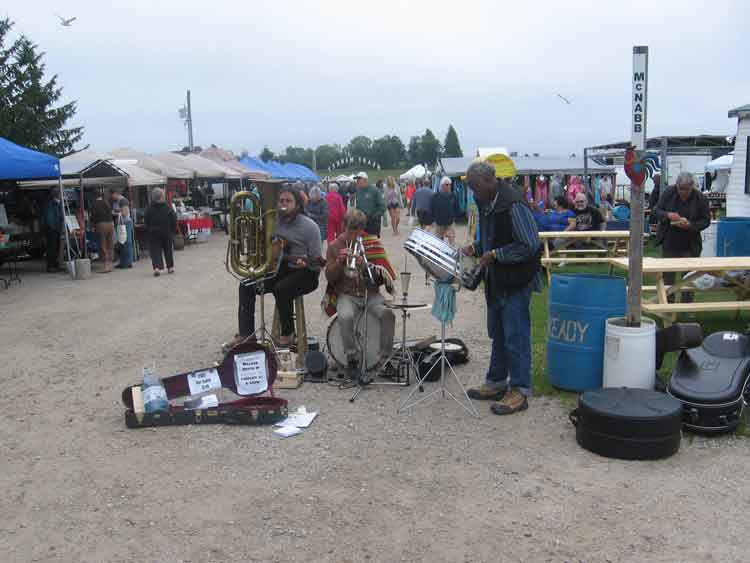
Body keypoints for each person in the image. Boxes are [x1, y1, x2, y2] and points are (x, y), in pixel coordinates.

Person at [461, 161, 542, 416]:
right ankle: (496, 382)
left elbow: (530, 244)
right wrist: (477, 247)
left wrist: (496, 254)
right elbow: (491, 235)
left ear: (489, 181)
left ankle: (519, 390)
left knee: (515, 335)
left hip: (516, 280)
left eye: (475, 187)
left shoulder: (513, 204)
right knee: (498, 331)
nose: (473, 192)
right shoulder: (488, 202)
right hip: (498, 279)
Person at [238, 188, 322, 347]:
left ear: (297, 205)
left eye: (288, 201)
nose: (283, 204)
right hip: (279, 269)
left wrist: (307, 263)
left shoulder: (310, 227)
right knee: (246, 285)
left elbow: (317, 262)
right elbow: (266, 247)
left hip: (306, 273)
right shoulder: (273, 221)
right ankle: (246, 335)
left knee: (281, 288)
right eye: (281, 201)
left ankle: (288, 333)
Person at [324, 209, 395, 380]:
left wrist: (365, 266)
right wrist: (339, 263)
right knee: (345, 316)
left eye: (358, 232)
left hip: (370, 294)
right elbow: (329, 278)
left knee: (388, 314)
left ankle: (385, 359)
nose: (354, 236)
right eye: (350, 231)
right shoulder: (334, 246)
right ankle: (352, 358)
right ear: (343, 226)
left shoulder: (372, 243)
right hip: (347, 294)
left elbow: (381, 279)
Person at [652, 172, 710, 304]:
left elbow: (705, 220)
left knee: (689, 276)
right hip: (670, 241)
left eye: (686, 190)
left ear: (692, 187)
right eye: (680, 189)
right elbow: (656, 210)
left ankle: (686, 306)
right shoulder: (669, 192)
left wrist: (690, 225)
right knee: (668, 275)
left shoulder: (700, 198)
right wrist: (668, 215)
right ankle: (667, 303)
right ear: (676, 186)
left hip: (690, 243)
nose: (683, 192)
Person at [144, 187, 177, 276]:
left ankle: (157, 268)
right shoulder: (168, 207)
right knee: (168, 249)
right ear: (162, 196)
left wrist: (148, 229)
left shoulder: (149, 208)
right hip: (167, 232)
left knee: (155, 251)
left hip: (153, 233)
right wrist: (173, 230)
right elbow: (174, 219)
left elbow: (146, 221)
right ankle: (170, 267)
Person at [353, 171, 386, 236]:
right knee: (362, 243)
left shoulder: (374, 190)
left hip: (373, 223)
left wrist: (374, 216)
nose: (357, 181)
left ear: (365, 180)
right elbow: (357, 205)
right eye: (357, 179)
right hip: (361, 222)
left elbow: (383, 206)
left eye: (359, 179)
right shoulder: (358, 191)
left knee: (372, 243)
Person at [91, 190, 115, 273]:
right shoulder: (106, 202)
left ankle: (106, 266)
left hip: (101, 225)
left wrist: (92, 225)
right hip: (111, 224)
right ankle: (111, 264)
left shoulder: (95, 204)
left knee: (103, 245)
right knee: (110, 244)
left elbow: (93, 217)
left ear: (94, 196)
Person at [41, 187, 64, 273]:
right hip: (52, 228)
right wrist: (54, 227)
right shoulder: (50, 203)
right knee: (52, 247)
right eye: (57, 191)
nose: (59, 193)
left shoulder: (57, 203)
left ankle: (54, 264)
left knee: (56, 247)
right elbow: (49, 217)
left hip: (55, 228)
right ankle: (51, 266)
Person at [432, 176, 457, 245]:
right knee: (438, 242)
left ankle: (451, 254)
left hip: (450, 223)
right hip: (439, 223)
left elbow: (456, 207)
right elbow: (432, 208)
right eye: (447, 184)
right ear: (442, 185)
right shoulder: (436, 196)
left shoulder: (453, 195)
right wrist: (434, 219)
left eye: (449, 184)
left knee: (452, 242)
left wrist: (455, 218)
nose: (449, 186)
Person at [116, 200, 135, 269]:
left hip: (125, 224)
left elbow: (124, 214)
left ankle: (126, 262)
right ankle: (128, 262)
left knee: (125, 243)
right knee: (127, 243)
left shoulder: (124, 207)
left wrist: (118, 212)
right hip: (127, 223)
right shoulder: (126, 206)